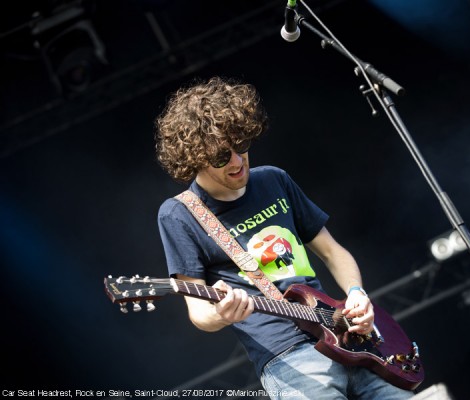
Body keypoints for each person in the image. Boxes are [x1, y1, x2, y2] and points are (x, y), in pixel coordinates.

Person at [154, 76, 415, 399]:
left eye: (242, 146)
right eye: (221, 158)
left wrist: (357, 293)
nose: (237, 162)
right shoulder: (180, 215)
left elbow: (334, 253)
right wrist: (221, 313)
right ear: (195, 159)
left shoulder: (274, 180)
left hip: (348, 337)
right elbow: (198, 313)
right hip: (289, 359)